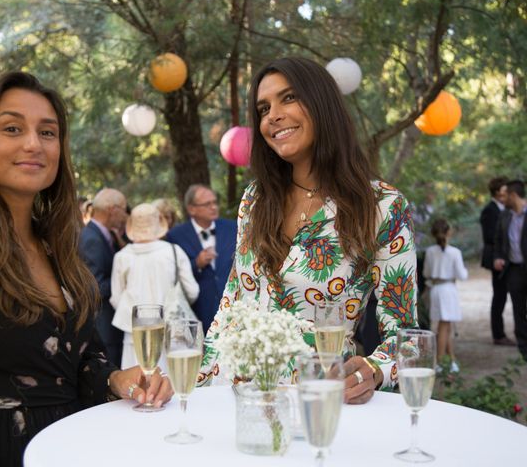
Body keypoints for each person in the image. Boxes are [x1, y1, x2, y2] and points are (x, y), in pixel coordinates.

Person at [0, 72, 172, 467]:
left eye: (48, 132)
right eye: (12, 128)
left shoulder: (60, 252)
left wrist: (115, 379)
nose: (33, 143)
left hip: (78, 450)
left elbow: (82, 359)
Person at [197, 57, 417, 404]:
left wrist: (373, 370)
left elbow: (406, 337)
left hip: (315, 398)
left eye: (288, 98)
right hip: (229, 393)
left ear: (322, 104)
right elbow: (231, 302)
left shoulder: (381, 206)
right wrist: (197, 387)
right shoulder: (255, 199)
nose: (272, 116)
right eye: (263, 108)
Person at [109, 203, 199, 369]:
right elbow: (192, 291)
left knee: (136, 383)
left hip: (134, 332)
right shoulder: (174, 251)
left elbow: (116, 299)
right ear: (158, 224)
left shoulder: (122, 257)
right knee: (170, 384)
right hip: (171, 329)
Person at [166, 185, 237, 332]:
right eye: (207, 204)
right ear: (191, 209)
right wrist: (196, 263)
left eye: (215, 202)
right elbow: (172, 275)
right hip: (198, 311)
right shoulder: (176, 235)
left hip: (233, 309)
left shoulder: (232, 228)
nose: (214, 207)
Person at [79, 188, 128, 367]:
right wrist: (125, 283)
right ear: (112, 209)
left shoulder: (103, 235)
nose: (125, 215)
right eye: (123, 209)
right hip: (103, 324)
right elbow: (95, 286)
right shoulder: (92, 239)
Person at [423, 219, 468, 373]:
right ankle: (439, 362)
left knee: (446, 326)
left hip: (435, 289)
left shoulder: (430, 251)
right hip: (448, 289)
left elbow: (426, 273)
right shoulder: (455, 252)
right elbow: (462, 275)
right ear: (449, 232)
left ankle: (452, 360)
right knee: (444, 326)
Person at [493, 179, 527, 361]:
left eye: (504, 195)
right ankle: (524, 352)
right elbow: (498, 240)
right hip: (513, 270)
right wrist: (498, 256)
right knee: (518, 310)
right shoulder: (505, 216)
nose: (501, 198)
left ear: (513, 195)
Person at [480, 176, 514, 345]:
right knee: (499, 295)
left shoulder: (506, 209)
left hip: (507, 257)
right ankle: (498, 334)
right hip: (497, 257)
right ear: (496, 192)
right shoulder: (490, 210)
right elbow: (490, 236)